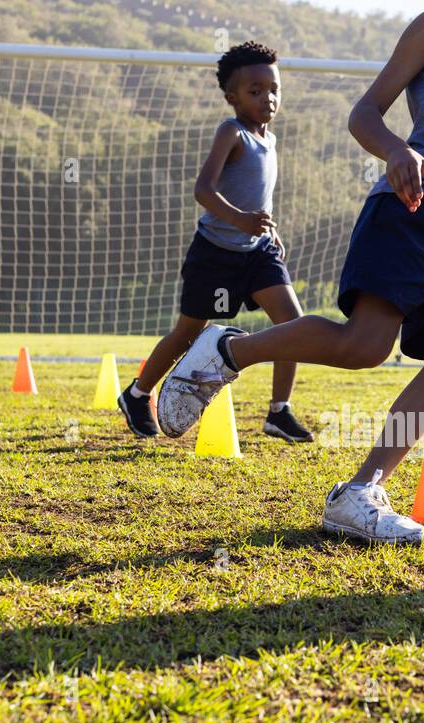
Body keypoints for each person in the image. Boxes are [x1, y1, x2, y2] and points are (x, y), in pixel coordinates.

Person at [156, 1, 424, 545]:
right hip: (413, 212)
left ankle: (360, 492)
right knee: (365, 346)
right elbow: (365, 113)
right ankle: (228, 350)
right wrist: (398, 150)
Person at [118, 41, 314, 444]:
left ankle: (279, 412)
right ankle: (138, 394)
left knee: (294, 325)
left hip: (257, 253)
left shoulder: (270, 140)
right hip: (215, 254)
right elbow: (203, 190)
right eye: (255, 91)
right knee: (188, 333)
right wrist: (241, 219)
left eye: (273, 88)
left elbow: (257, 194)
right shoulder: (232, 132)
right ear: (232, 97)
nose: (268, 98)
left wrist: (267, 228)